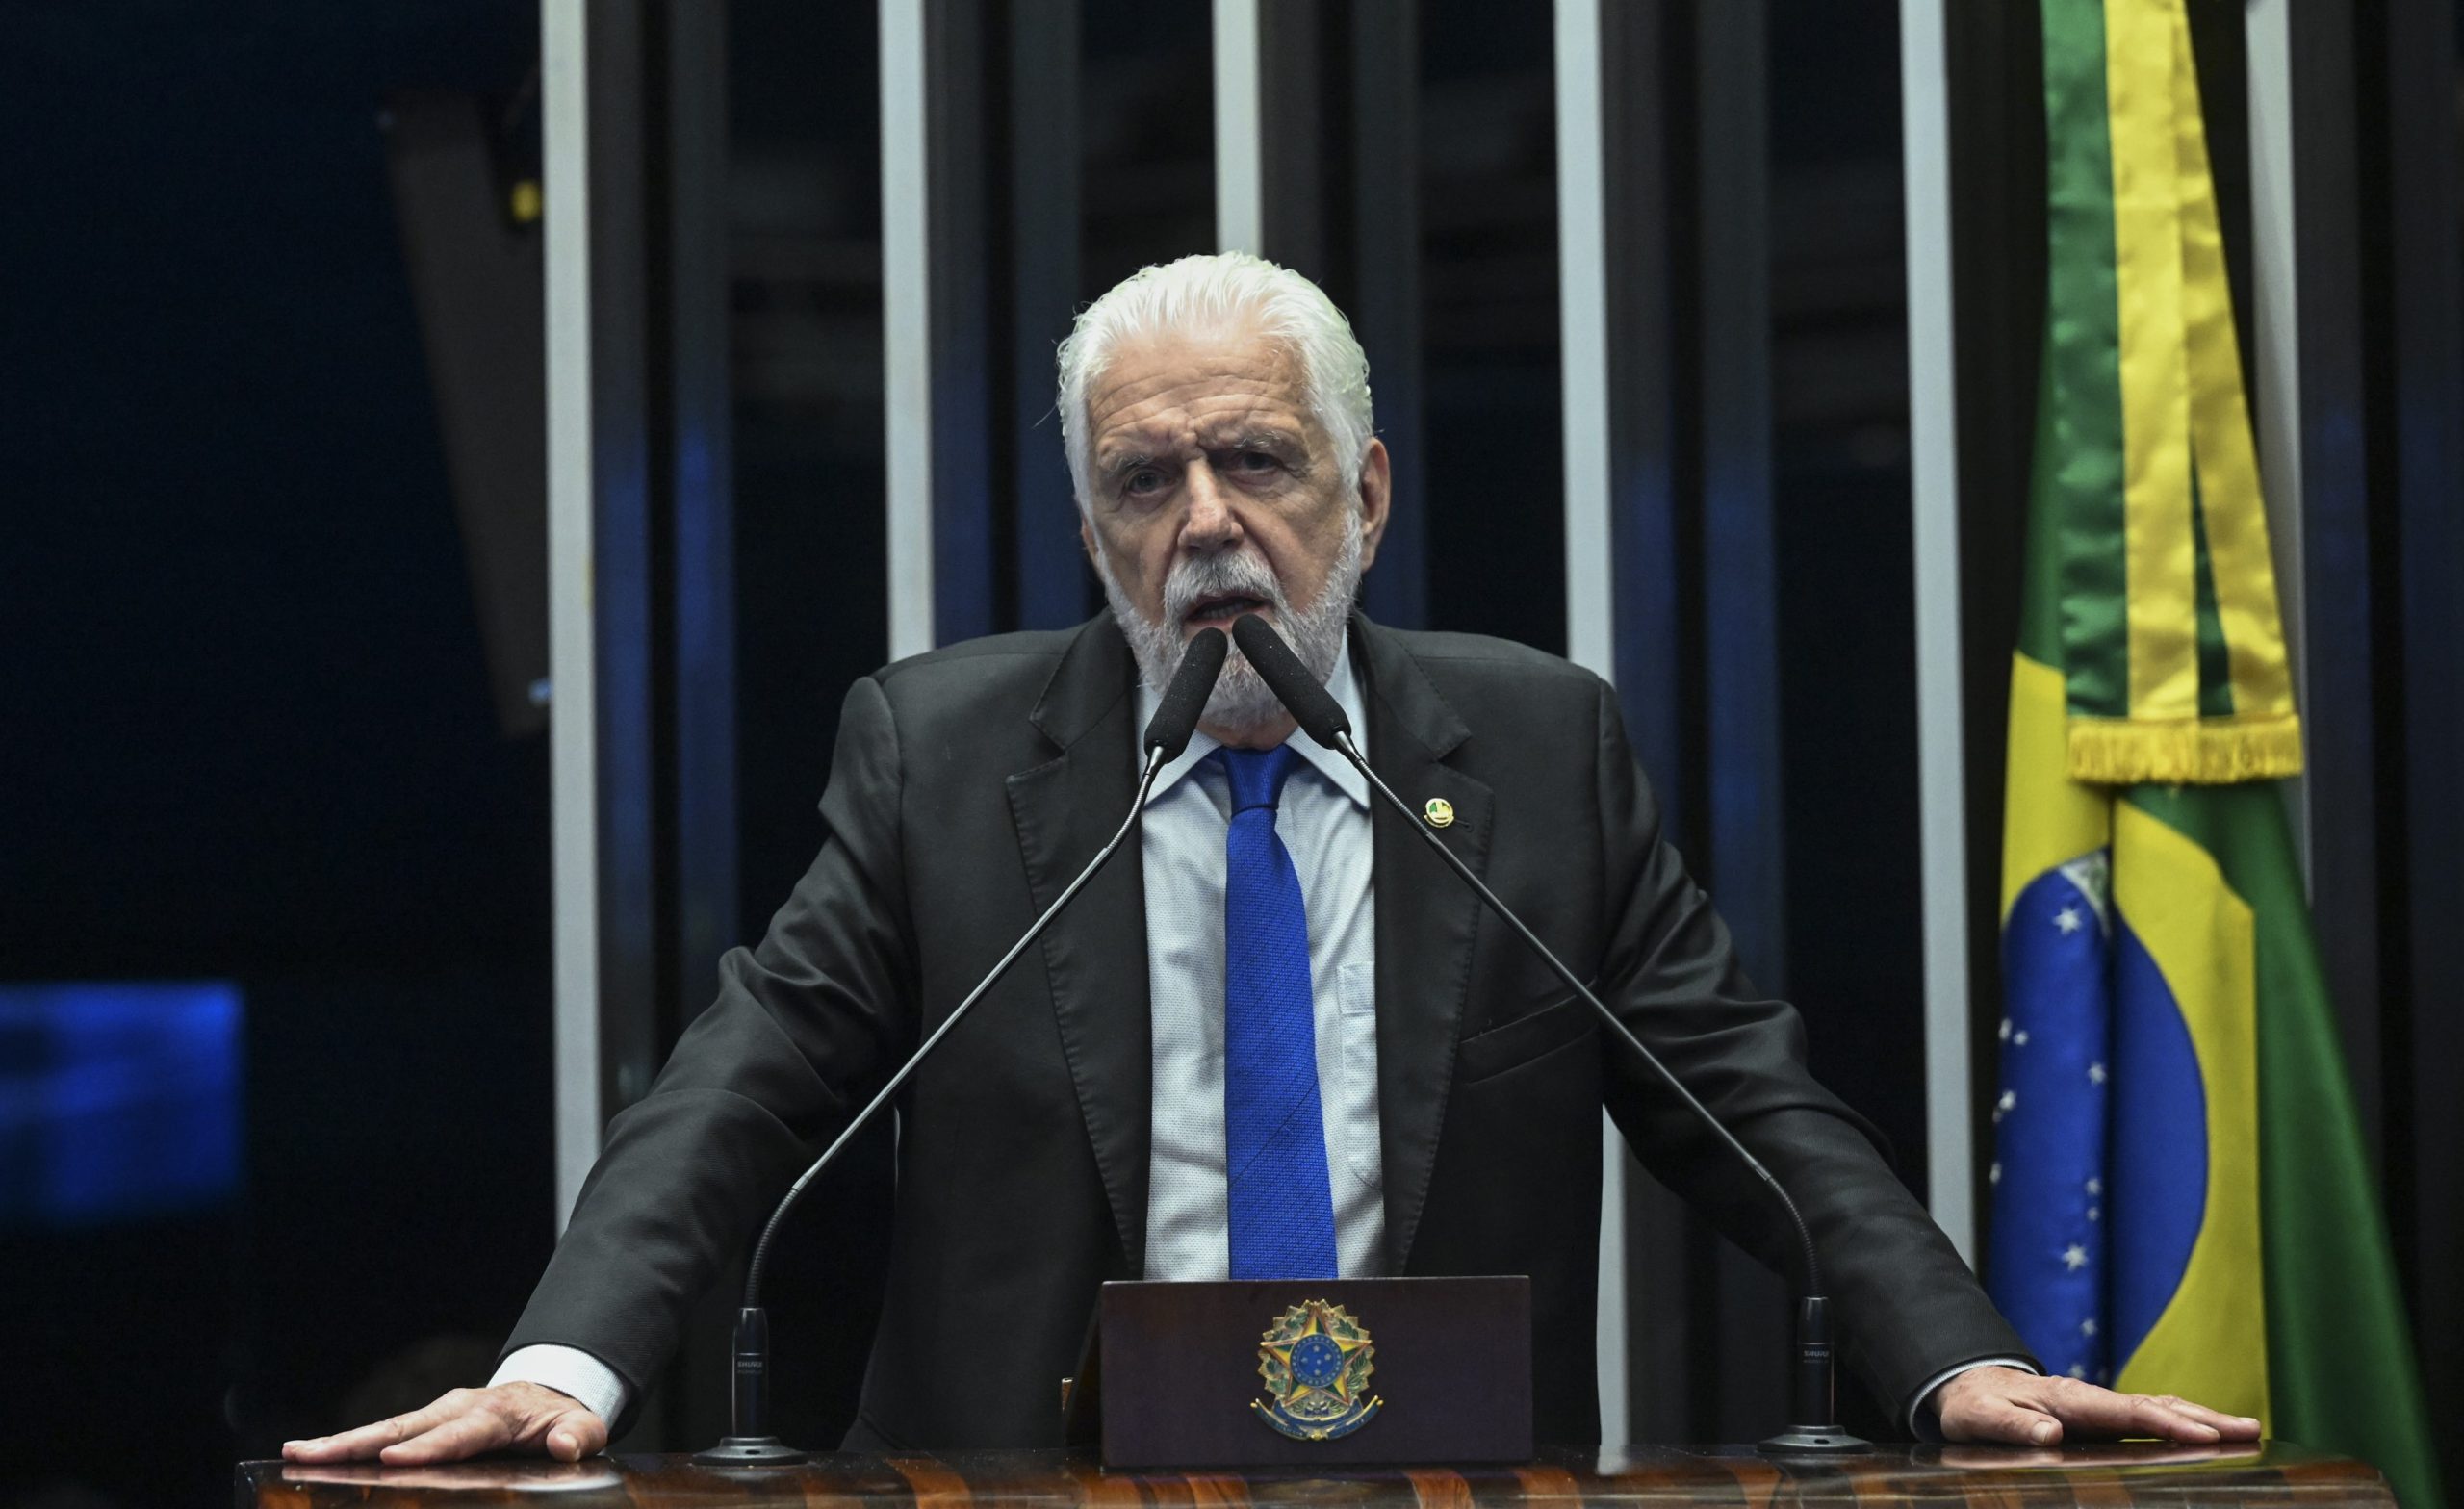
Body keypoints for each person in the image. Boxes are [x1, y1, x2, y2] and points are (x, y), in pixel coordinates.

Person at [286, 253, 2260, 1466]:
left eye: (1259, 461)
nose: (1209, 524)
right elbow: (743, 1082)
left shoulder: (1536, 750)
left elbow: (1745, 1102)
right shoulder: (943, 755)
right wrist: (568, 1361)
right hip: (1014, 1488)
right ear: (1094, 533)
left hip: (1445, 1485)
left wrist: (1953, 1365)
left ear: (1364, 495)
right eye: (1146, 481)